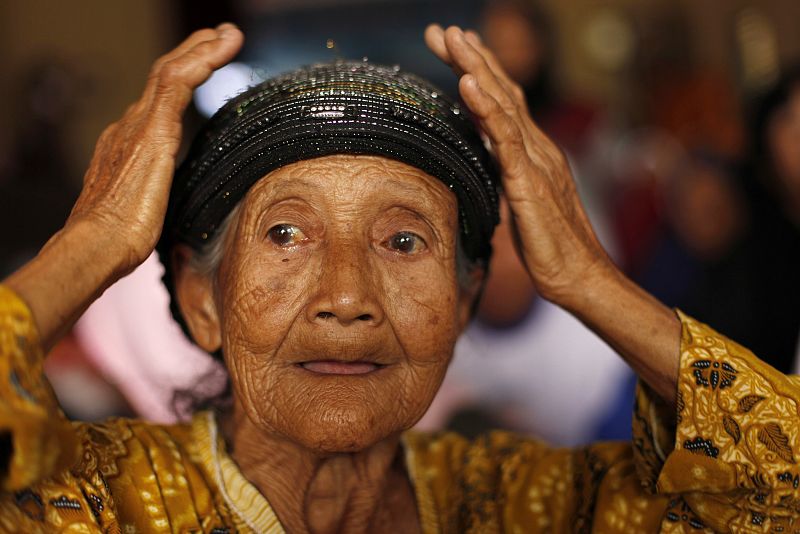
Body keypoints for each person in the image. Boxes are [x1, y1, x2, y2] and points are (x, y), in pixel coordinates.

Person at [0, 23, 797, 533]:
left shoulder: (515, 503)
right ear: (202, 299)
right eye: (286, 234)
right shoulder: (107, 501)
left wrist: (590, 280)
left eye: (404, 241)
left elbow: (779, 488)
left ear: (462, 301)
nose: (348, 298)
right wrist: (96, 242)